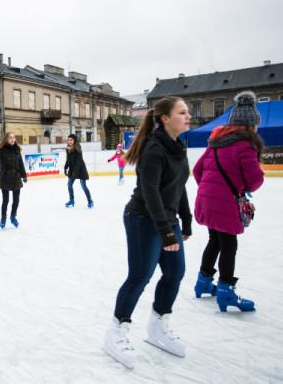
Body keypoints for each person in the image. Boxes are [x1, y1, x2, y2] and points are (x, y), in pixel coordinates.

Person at [103, 97, 192, 369]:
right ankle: (116, 331)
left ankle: (158, 325)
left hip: (167, 219)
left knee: (175, 273)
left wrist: (185, 218)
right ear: (165, 118)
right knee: (140, 276)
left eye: (188, 112)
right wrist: (166, 231)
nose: (188, 116)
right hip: (143, 219)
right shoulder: (154, 149)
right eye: (182, 112)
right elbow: (151, 193)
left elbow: (178, 185)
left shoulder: (178, 146)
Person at [193, 91, 265, 312]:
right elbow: (254, 181)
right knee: (229, 245)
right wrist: (234, 190)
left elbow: (197, 170)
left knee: (214, 240)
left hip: (206, 199)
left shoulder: (215, 141)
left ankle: (203, 283)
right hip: (225, 202)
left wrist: (209, 190)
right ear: (251, 124)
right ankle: (225, 292)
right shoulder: (246, 145)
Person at [0, 132, 27, 229]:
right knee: (6, 200)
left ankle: (13, 216)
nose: (13, 139)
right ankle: (3, 218)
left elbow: (21, 163)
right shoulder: (1, 151)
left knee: (16, 199)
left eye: (14, 137)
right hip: (5, 176)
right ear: (6, 139)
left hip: (16, 176)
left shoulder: (17, 150)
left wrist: (24, 175)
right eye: (10, 138)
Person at [64, 134, 93, 208]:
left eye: (71, 140)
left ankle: (90, 201)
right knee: (69, 184)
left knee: (83, 186)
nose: (69, 141)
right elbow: (68, 159)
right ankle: (72, 200)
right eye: (68, 140)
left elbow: (78, 163)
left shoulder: (78, 149)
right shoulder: (68, 149)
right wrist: (65, 167)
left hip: (80, 170)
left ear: (74, 141)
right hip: (72, 170)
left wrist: (74, 173)